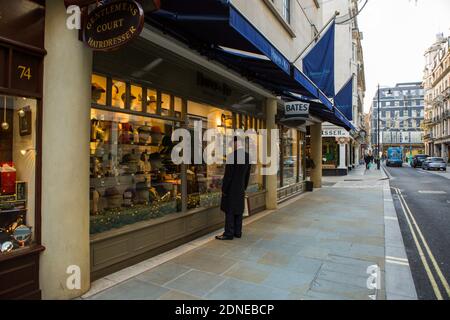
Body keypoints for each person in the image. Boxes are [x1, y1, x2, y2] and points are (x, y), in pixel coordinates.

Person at [216, 136, 251, 240]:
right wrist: (243, 187)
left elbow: (228, 175)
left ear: (236, 143)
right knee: (239, 210)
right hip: (240, 188)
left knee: (230, 211)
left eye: (232, 145)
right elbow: (247, 175)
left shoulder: (232, 156)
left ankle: (228, 233)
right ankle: (238, 232)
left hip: (231, 188)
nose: (232, 147)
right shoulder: (247, 156)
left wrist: (224, 189)